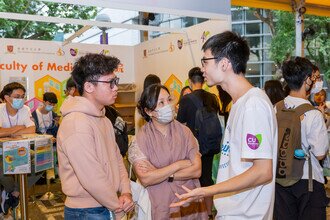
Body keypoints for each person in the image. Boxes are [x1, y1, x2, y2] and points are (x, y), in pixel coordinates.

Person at [171, 31, 277, 220]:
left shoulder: (253, 105)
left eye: (205, 61)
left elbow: (263, 171)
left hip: (246, 215)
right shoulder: (238, 103)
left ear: (224, 63)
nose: (202, 69)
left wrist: (206, 191)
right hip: (233, 212)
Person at [57, 54, 134, 219]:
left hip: (107, 204)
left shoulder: (104, 119)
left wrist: (126, 191)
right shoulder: (76, 124)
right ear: (89, 87)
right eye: (110, 83)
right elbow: (91, 177)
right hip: (87, 211)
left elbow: (117, 158)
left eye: (116, 81)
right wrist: (117, 207)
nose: (116, 88)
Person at [128, 84, 208, 219]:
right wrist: (179, 165)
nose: (168, 106)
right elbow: (146, 178)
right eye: (161, 103)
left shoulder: (185, 132)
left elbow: (196, 170)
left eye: (169, 100)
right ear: (149, 111)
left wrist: (159, 172)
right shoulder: (141, 139)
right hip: (161, 205)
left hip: (189, 203)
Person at [274, 57, 329, 220]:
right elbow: (319, 154)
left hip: (280, 179)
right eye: (312, 78)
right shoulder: (313, 114)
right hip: (308, 182)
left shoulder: (275, 108)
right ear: (306, 80)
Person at [177, 67, 220, 219]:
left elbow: (179, 123)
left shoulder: (185, 100)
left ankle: (195, 213)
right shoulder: (213, 98)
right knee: (207, 179)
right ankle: (208, 213)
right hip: (209, 145)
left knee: (192, 180)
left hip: (192, 147)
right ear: (203, 81)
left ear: (190, 81)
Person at [0, 82, 35, 215]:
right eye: (17, 96)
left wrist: (6, 131)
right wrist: (18, 128)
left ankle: (15, 192)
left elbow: (32, 129)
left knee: (39, 160)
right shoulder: (0, 109)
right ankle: (11, 191)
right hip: (2, 152)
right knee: (3, 170)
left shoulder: (25, 109)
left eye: (23, 96)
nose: (21, 99)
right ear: (7, 98)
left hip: (20, 150)